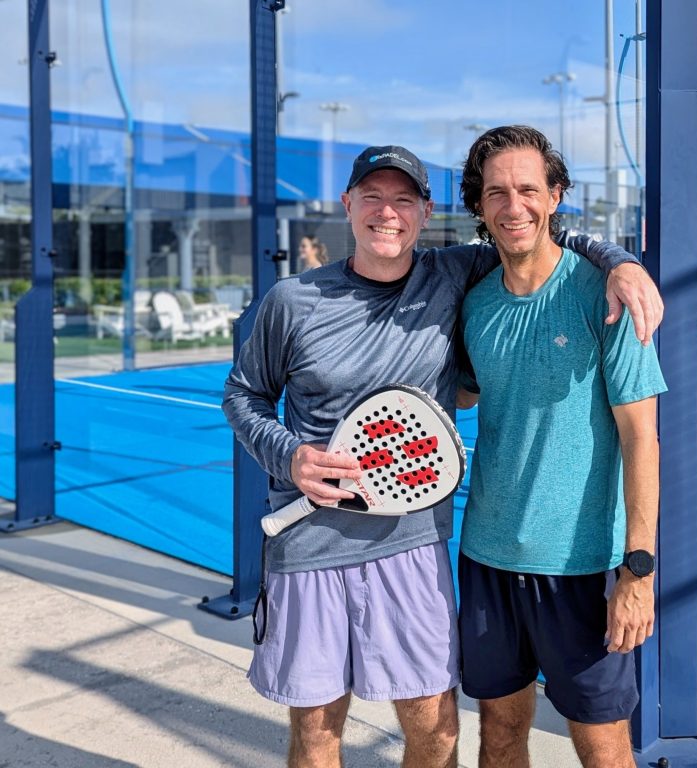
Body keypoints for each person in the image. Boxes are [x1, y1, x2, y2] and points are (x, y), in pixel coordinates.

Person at [222, 144, 663, 768]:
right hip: (321, 551)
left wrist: (620, 261)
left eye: (403, 199)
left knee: (440, 736)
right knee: (320, 735)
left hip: (423, 553)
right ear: (347, 205)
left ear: (426, 212)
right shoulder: (297, 301)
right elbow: (244, 395)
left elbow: (536, 238)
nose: (387, 213)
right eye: (371, 197)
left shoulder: (462, 277)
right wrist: (288, 455)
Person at [456, 125, 667, 768]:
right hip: (486, 557)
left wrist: (637, 571)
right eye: (496, 192)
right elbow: (464, 396)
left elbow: (641, 440)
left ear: (555, 197)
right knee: (498, 734)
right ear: (479, 204)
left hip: (582, 567)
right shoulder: (475, 303)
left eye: (527, 189)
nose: (512, 205)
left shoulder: (607, 296)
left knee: (603, 749)